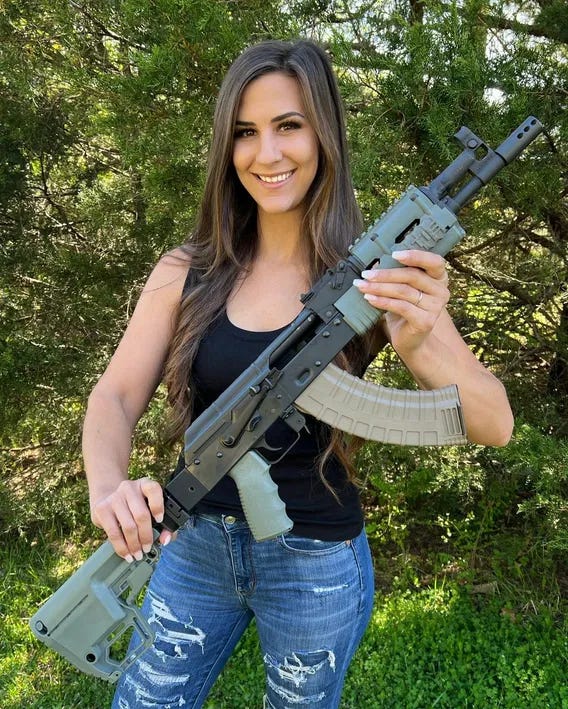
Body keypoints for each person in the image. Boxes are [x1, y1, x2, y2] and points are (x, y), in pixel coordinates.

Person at [83, 39, 514, 709]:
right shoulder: (186, 271)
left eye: (289, 125)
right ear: (227, 148)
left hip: (315, 563)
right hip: (192, 546)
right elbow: (113, 396)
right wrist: (109, 487)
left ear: (323, 135)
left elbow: (495, 424)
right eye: (245, 132)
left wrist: (421, 338)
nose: (267, 153)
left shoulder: (379, 281)